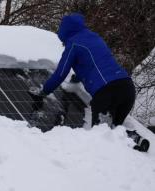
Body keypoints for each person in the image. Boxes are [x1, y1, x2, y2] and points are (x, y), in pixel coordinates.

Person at [29, 13, 149, 152]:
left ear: (64, 32)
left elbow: (60, 74)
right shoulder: (95, 37)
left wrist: (44, 91)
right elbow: (96, 62)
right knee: (113, 132)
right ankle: (135, 139)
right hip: (127, 88)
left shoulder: (73, 45)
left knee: (100, 134)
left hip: (107, 92)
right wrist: (78, 77)